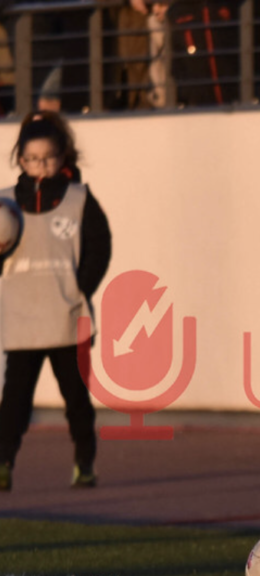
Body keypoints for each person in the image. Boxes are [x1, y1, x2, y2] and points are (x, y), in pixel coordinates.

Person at [0, 111, 112, 491]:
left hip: (67, 318)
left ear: (62, 156)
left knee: (76, 400)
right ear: (20, 159)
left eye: (47, 158)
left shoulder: (78, 199)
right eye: (31, 159)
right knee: (14, 403)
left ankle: (84, 462)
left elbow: (100, 245)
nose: (40, 166)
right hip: (21, 322)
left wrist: (81, 286)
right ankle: (3, 462)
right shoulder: (4, 205)